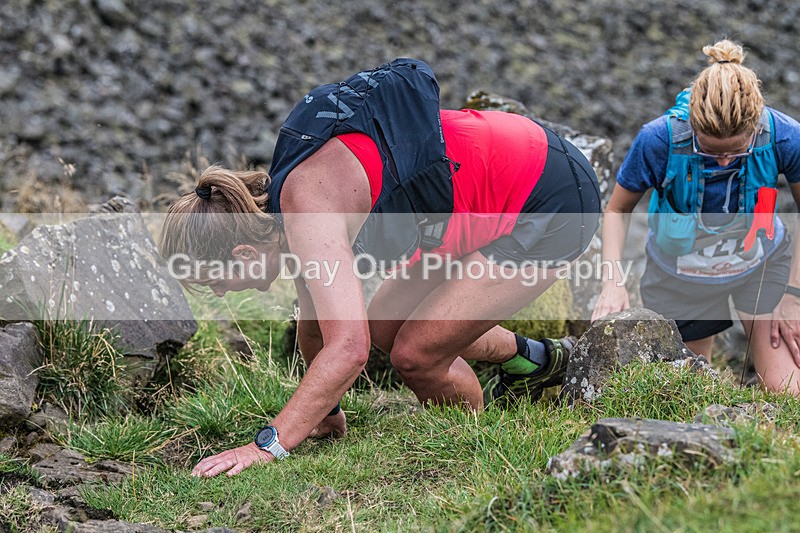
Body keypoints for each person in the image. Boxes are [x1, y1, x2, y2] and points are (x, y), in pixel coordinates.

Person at [159, 58, 601, 477]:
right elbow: (316, 328)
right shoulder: (283, 210)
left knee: (417, 354)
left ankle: (472, 452)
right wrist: (327, 414)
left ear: (243, 255)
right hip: (480, 198)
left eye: (213, 281)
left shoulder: (307, 213)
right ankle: (537, 360)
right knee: (389, 328)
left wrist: (265, 446)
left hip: (549, 199)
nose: (219, 294)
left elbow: (349, 349)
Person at [592, 40, 800, 394]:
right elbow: (616, 210)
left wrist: (793, 294)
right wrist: (612, 282)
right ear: (693, 124)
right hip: (681, 274)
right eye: (709, 151)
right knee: (690, 388)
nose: (723, 163)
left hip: (760, 263)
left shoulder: (784, 137)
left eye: (737, 151)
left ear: (754, 127)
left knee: (788, 391)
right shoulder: (658, 140)